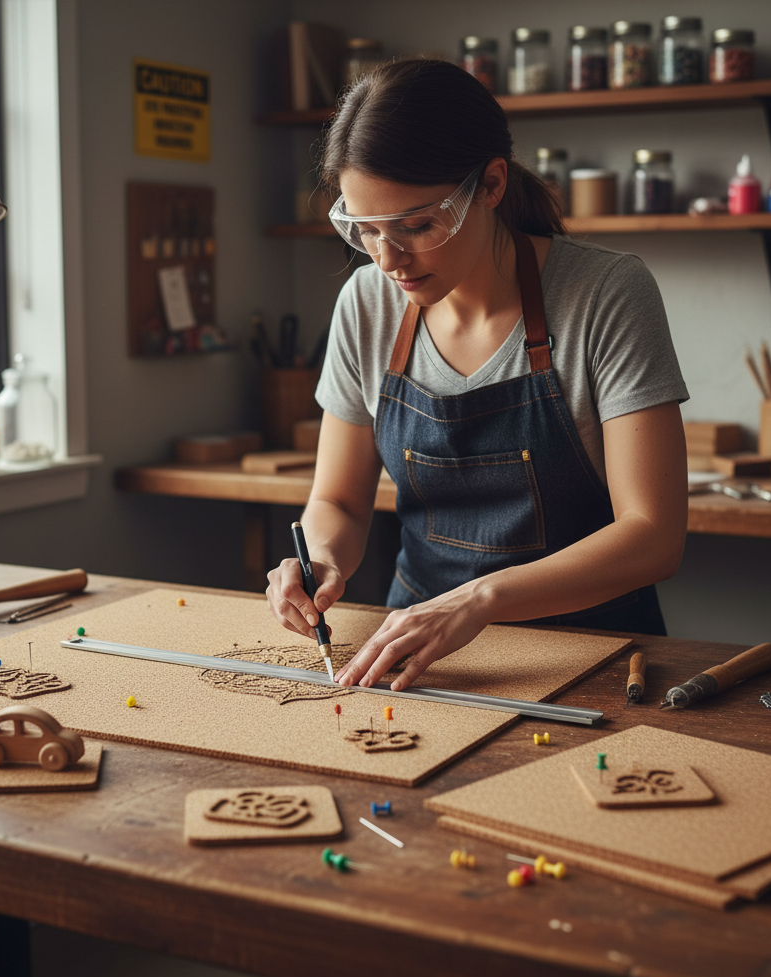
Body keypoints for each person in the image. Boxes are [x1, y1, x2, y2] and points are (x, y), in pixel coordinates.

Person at [266, 59, 689, 696]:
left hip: (593, 660)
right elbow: (340, 503)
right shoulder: (366, 304)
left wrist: (479, 599)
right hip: (414, 659)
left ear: (490, 184)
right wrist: (320, 557)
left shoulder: (605, 293)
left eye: (415, 226)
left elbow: (653, 535)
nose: (388, 259)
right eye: (364, 229)